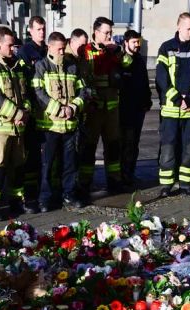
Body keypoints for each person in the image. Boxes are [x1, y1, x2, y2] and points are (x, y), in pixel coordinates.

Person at [31, 31, 87, 212]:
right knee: (47, 165)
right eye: (60, 49)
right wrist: (57, 109)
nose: (63, 52)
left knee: (69, 164)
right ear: (50, 48)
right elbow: (38, 93)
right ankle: (45, 198)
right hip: (50, 126)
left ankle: (68, 195)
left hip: (70, 125)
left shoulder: (72, 66)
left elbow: (83, 91)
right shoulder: (41, 67)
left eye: (64, 48)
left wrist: (73, 108)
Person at [0, 26, 30, 219]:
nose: (13, 49)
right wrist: (16, 113)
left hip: (18, 128)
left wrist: (25, 112)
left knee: (17, 167)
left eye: (14, 46)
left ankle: (16, 200)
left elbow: (25, 94)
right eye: (10, 45)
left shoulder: (17, 67)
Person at [154, 13, 190, 196]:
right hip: (171, 109)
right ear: (179, 27)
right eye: (188, 28)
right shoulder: (166, 48)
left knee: (189, 148)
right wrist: (177, 99)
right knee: (168, 147)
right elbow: (161, 77)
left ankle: (185, 183)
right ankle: (167, 185)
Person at [77, 17, 123, 196]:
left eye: (111, 32)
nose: (109, 36)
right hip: (94, 109)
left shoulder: (114, 51)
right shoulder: (86, 51)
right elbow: (83, 77)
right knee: (89, 147)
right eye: (106, 32)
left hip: (111, 109)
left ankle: (114, 180)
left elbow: (127, 65)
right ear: (96, 33)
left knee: (113, 146)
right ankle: (85, 182)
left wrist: (117, 50)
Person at [19, 16, 49, 200]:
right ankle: (30, 191)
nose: (42, 32)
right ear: (30, 30)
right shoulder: (25, 51)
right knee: (31, 152)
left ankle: (44, 186)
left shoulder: (48, 49)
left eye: (43, 29)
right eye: (38, 29)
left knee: (46, 152)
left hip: (47, 108)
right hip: (33, 107)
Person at [117, 29, 150, 188]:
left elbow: (144, 82)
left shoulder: (139, 60)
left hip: (139, 109)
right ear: (126, 42)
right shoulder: (121, 60)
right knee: (126, 143)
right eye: (134, 42)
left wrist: (147, 100)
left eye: (139, 42)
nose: (137, 45)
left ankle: (130, 172)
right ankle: (123, 174)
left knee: (134, 143)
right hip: (125, 109)